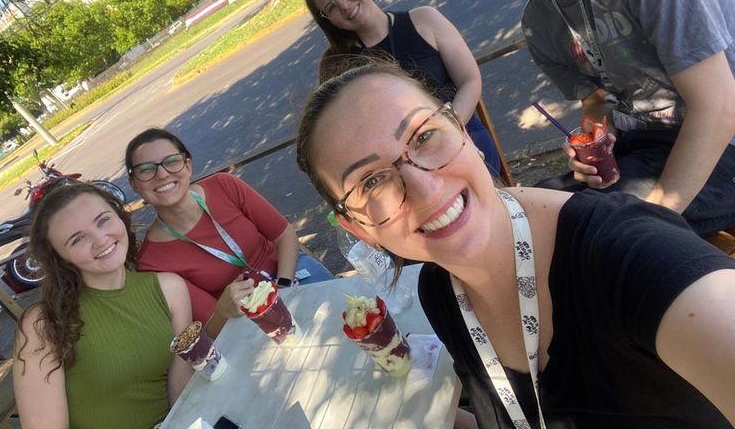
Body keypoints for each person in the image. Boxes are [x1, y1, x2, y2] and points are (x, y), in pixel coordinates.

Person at [295, 62, 735, 428]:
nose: (425, 190)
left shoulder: (624, 254)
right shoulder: (441, 292)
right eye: (371, 182)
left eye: (424, 136)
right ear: (360, 229)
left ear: (463, 131)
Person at [447, 0, 735, 236]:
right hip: (646, 142)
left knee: (594, 231)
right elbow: (597, 100)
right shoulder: (539, 25)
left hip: (721, 140)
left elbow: (719, 106)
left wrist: (654, 220)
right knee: (525, 213)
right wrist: (592, 142)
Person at [12, 183, 193, 429]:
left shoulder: (170, 289)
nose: (100, 240)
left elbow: (181, 384)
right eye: (78, 239)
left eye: (103, 220)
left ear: (119, 216)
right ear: (60, 259)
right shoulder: (44, 324)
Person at [126, 127, 333, 337]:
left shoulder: (224, 185)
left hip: (290, 273)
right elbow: (211, 330)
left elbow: (284, 236)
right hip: (244, 320)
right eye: (146, 169)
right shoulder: (152, 263)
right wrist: (223, 311)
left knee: (340, 316)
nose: (162, 174)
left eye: (171, 161)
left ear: (188, 165)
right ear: (134, 184)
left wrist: (284, 289)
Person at [305, 0, 502, 177]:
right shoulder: (339, 65)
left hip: (464, 136)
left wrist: (446, 131)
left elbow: (469, 80)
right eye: (331, 8)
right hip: (406, 170)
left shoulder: (425, 19)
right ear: (329, 21)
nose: (343, 5)